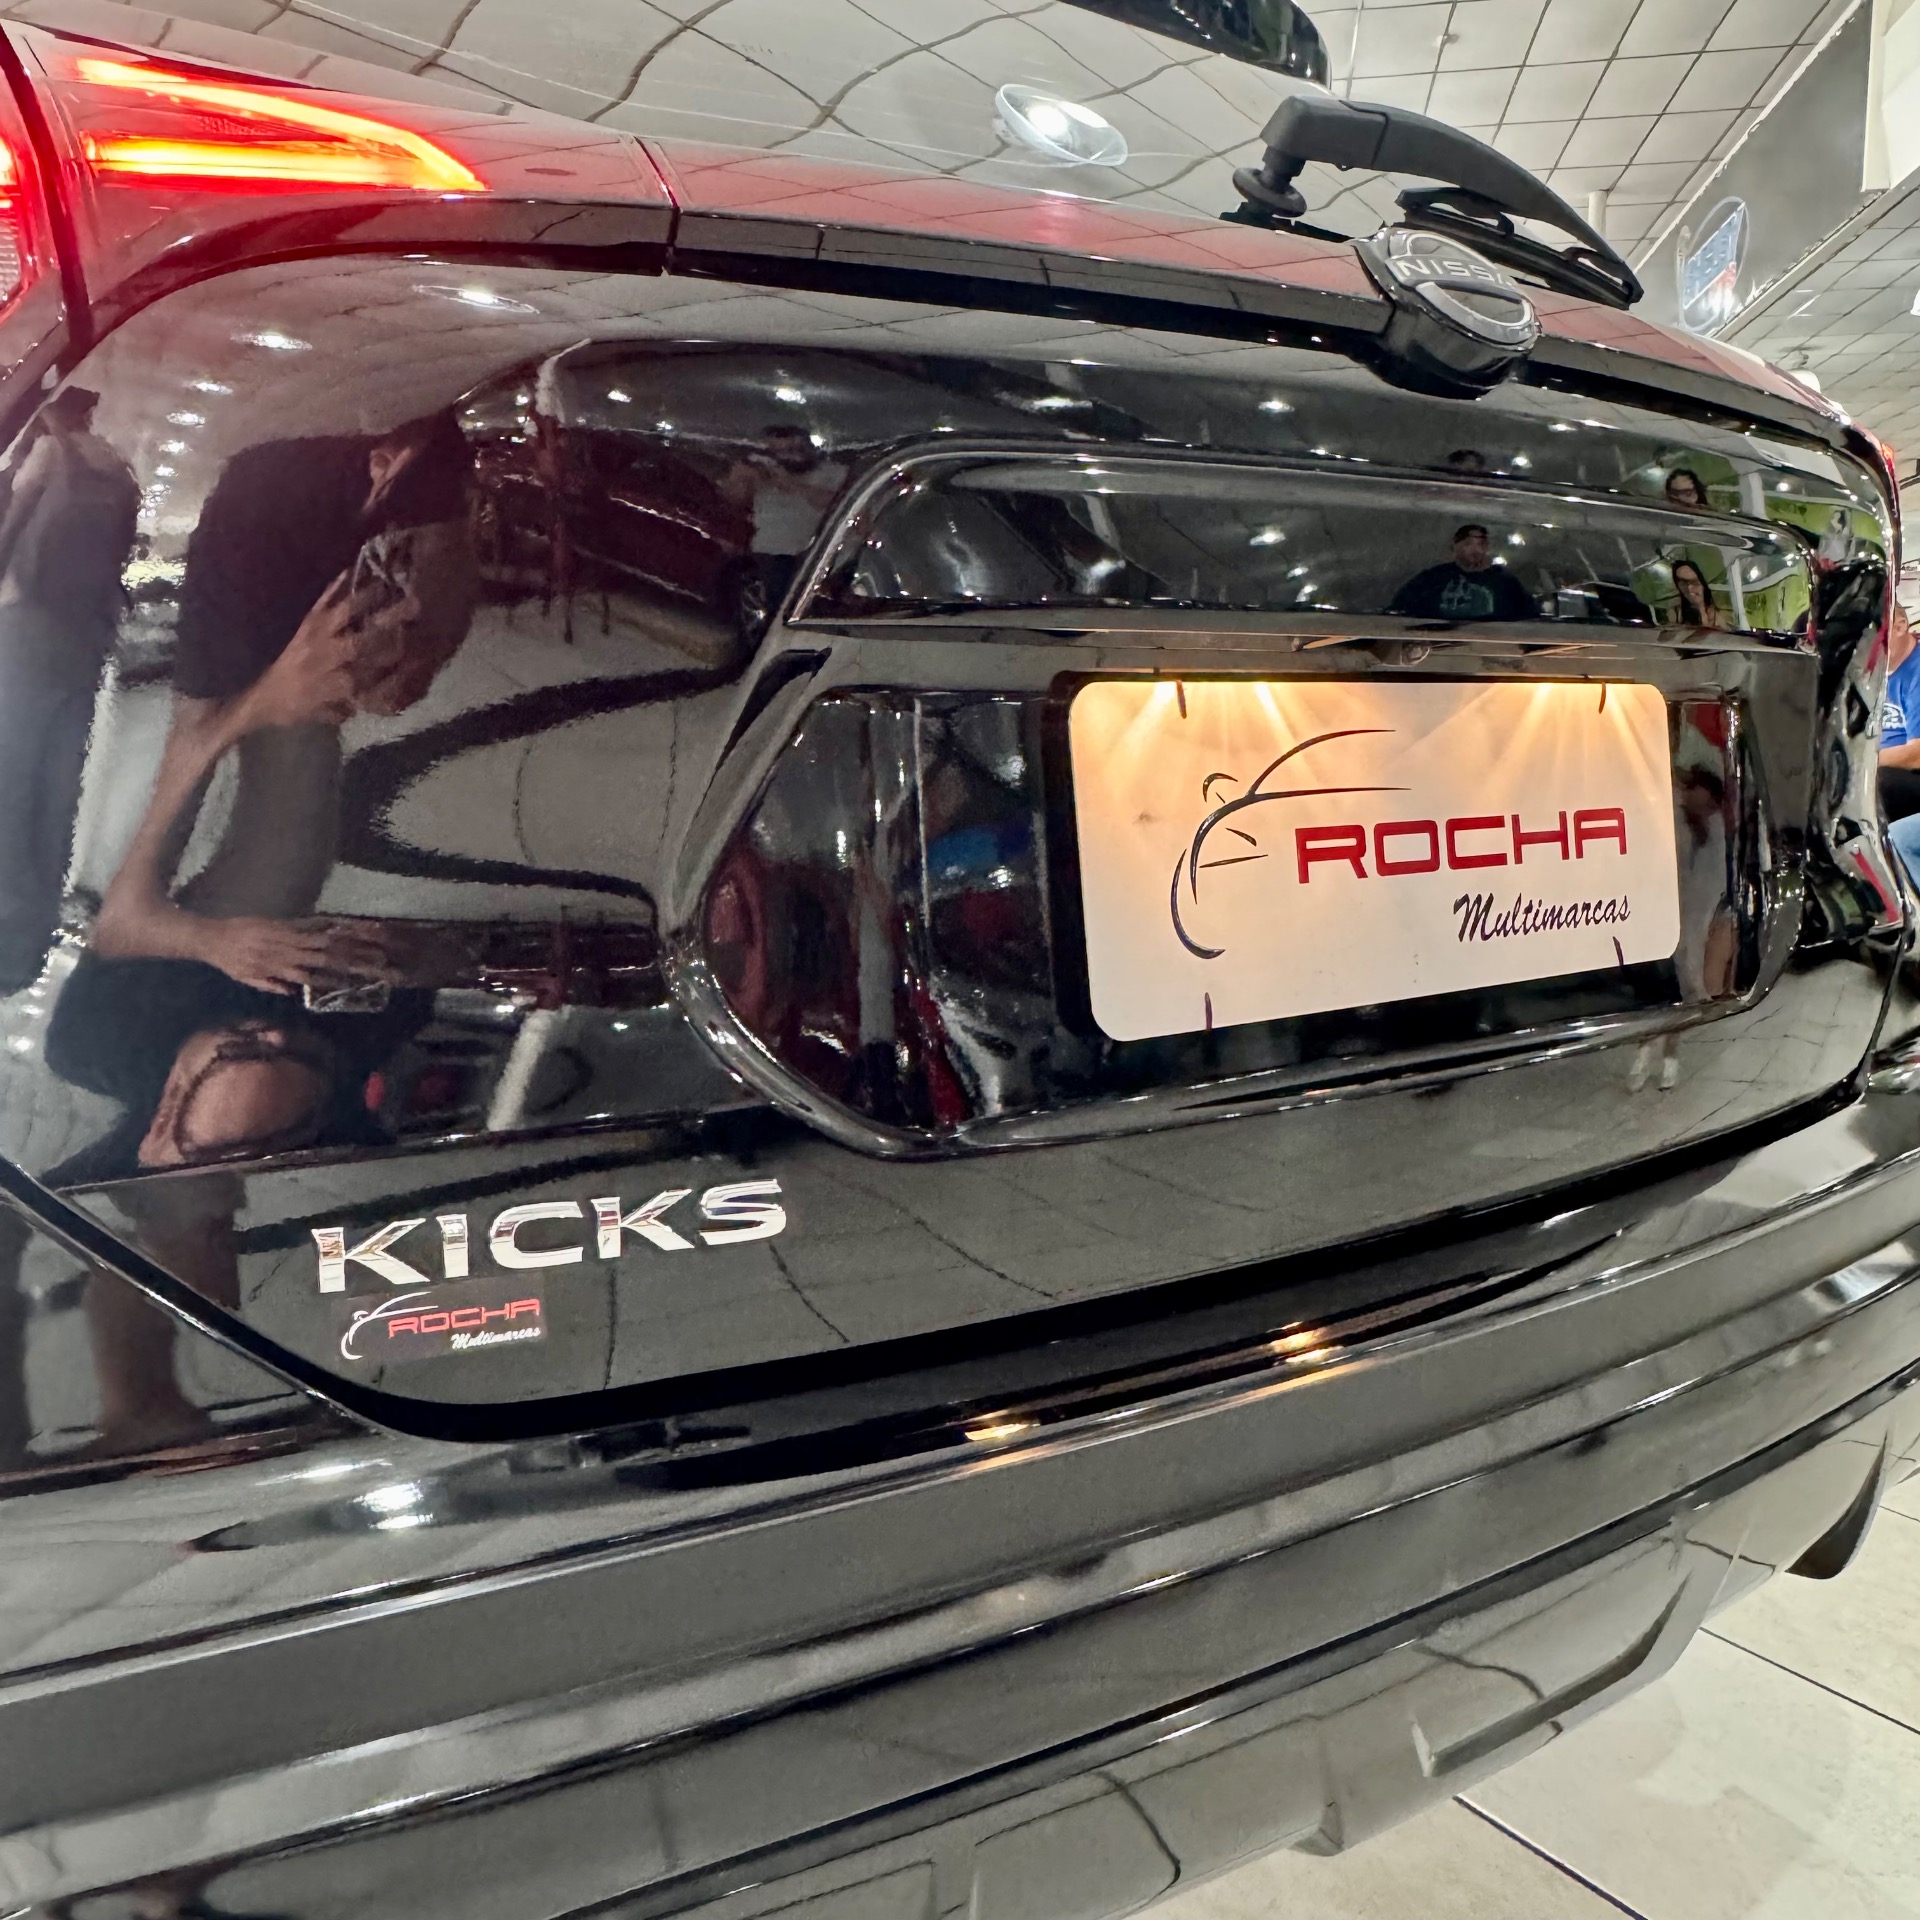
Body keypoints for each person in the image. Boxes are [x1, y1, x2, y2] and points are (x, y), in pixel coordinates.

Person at [90, 409, 477, 994]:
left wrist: (420, 646)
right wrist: (272, 698)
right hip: (217, 943)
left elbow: (444, 568)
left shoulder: (420, 456)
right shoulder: (245, 563)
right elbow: (120, 926)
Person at [0, 387, 139, 989]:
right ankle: (18, 938)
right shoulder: (108, 465)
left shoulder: (58, 458)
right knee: (42, 790)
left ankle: (20, 942)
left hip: (43, 643)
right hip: (57, 645)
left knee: (27, 792)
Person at [721, 424, 847, 632]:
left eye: (796, 449)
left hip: (817, 553)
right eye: (781, 451)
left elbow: (835, 502)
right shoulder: (762, 468)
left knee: (818, 609)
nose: (792, 456)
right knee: (778, 610)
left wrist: (789, 483)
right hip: (773, 551)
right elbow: (734, 500)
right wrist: (741, 479)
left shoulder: (834, 472)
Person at [1388, 524, 1536, 623]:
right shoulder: (1433, 579)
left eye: (1480, 544)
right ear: (1455, 546)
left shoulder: (1505, 583)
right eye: (1468, 544)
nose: (1475, 550)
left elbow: (1531, 620)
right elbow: (1399, 613)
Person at [1669, 556, 1725, 630]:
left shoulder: (1716, 611)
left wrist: (1701, 607)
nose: (1689, 588)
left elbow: (1709, 632)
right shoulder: (1675, 611)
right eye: (1683, 583)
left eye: (1694, 582)